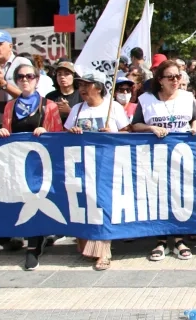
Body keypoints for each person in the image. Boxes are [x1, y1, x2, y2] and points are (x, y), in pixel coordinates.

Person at [132, 60, 196, 261]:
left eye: (178, 76)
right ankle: (161, 240)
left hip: (181, 157)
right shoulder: (146, 99)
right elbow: (135, 125)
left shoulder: (187, 97)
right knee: (159, 198)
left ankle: (180, 239)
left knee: (180, 197)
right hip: (155, 158)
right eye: (170, 77)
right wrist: (151, 128)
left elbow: (195, 118)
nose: (175, 80)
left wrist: (195, 127)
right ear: (160, 80)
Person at [0, 64, 64, 270]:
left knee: (37, 198)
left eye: (30, 76)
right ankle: (26, 236)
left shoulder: (48, 105)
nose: (25, 80)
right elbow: (6, 130)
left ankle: (34, 245)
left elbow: (58, 134)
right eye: (21, 76)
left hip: (41, 162)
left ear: (37, 79)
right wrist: (2, 133)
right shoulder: (10, 106)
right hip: (18, 160)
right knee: (21, 198)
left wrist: (47, 130)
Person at [65, 70, 131, 271]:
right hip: (83, 166)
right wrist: (73, 132)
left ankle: (104, 251)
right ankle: (88, 244)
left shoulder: (113, 108)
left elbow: (127, 132)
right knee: (86, 205)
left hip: (108, 166)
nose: (83, 88)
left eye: (88, 84)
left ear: (99, 87)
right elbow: (66, 133)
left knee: (103, 206)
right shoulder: (77, 109)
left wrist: (113, 133)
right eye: (81, 85)